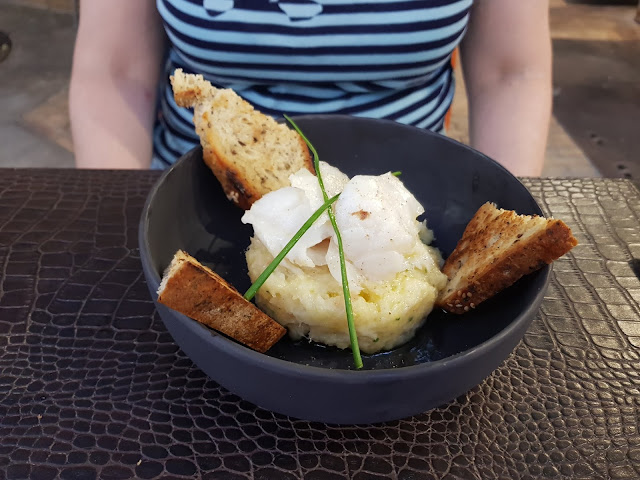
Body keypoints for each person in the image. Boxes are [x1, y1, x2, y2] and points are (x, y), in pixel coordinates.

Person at [69, 0, 551, 176]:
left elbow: (512, 73)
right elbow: (114, 72)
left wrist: (508, 213)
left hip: (414, 199)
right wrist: (114, 211)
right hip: (196, 191)